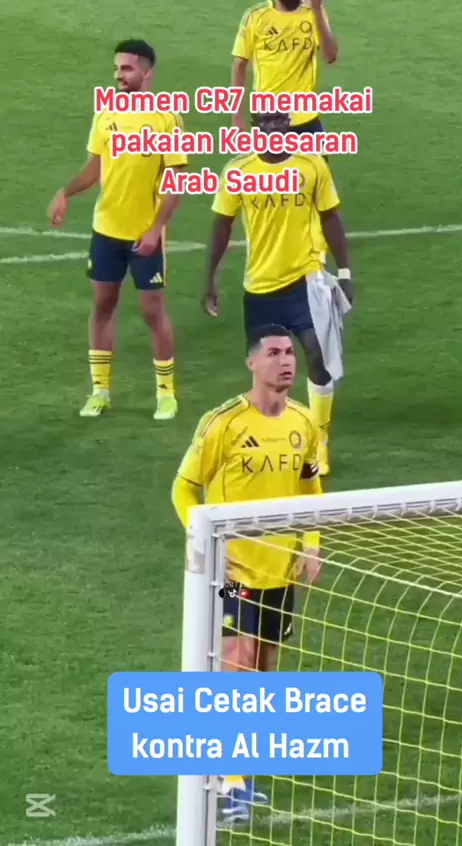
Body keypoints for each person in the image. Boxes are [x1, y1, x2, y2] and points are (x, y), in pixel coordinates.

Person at [171, 323, 322, 822]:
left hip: (279, 570)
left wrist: (312, 544)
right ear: (252, 363)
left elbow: (310, 488)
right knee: (237, 663)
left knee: (263, 671)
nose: (286, 361)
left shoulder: (305, 422)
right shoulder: (224, 423)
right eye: (274, 353)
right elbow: (183, 488)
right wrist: (204, 540)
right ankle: (229, 784)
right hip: (231, 571)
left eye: (290, 352)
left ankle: (242, 778)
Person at [203, 110, 353, 476]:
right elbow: (222, 225)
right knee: (269, 369)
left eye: (280, 120)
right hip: (260, 287)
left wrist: (345, 272)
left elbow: (330, 217)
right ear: (257, 126)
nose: (274, 126)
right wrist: (211, 278)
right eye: (266, 121)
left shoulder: (312, 165)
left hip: (306, 280)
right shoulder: (239, 170)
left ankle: (318, 442)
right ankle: (274, 440)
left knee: (317, 355)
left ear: (289, 123)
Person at [48, 39, 187, 420]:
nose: (118, 76)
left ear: (147, 72)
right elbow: (95, 168)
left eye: (126, 68)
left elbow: (176, 180)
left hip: (144, 233)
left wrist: (156, 229)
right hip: (106, 230)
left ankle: (165, 394)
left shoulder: (166, 119)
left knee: (152, 311)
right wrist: (66, 193)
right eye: (116, 68)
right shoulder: (106, 114)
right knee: (103, 307)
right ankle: (100, 392)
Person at [231, 0, 337, 138]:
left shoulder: (313, 13)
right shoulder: (256, 16)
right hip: (268, 116)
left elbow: (330, 56)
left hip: (306, 115)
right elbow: (239, 66)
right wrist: (237, 118)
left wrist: (317, 9)